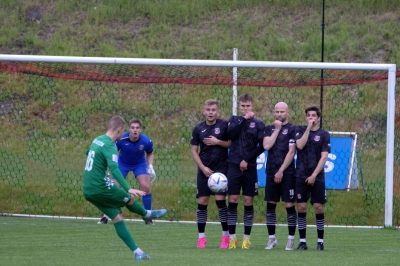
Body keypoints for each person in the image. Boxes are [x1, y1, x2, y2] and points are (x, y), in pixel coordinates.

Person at [83, 116, 167, 260]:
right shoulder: (110, 145)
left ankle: (137, 252)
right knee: (130, 198)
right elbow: (115, 170)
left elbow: (88, 153)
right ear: (120, 129)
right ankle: (147, 214)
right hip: (100, 187)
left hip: (88, 190)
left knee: (117, 217)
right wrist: (128, 188)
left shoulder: (97, 140)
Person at [98, 118, 157, 225]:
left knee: (146, 187)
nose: (135, 130)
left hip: (139, 164)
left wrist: (150, 166)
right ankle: (106, 216)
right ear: (129, 129)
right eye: (133, 127)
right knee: (114, 187)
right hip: (123, 164)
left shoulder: (146, 141)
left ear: (140, 129)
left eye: (137, 128)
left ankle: (148, 217)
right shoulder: (121, 139)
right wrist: (109, 165)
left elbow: (150, 153)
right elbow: (113, 151)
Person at [190, 99, 231, 249]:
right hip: (204, 170)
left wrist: (217, 142)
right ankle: (201, 237)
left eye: (213, 110)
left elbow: (230, 144)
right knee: (202, 202)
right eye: (208, 109)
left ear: (217, 111)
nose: (210, 112)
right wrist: (202, 167)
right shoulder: (198, 128)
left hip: (221, 170)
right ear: (204, 111)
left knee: (221, 202)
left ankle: (225, 236)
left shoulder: (224, 125)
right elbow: (194, 150)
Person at [226, 93, 265, 249]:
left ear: (252, 106)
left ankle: (246, 239)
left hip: (250, 166)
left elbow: (262, 146)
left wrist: (247, 160)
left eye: (248, 106)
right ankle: (232, 238)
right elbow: (231, 135)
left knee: (248, 201)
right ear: (239, 106)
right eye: (243, 106)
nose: (245, 108)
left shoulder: (259, 124)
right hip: (234, 165)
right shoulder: (234, 120)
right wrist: (244, 119)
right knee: (233, 200)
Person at [295, 106, 330, 251]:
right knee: (301, 207)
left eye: (314, 116)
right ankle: (302, 241)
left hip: (317, 176)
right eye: (308, 115)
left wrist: (314, 175)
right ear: (306, 118)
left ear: (318, 118)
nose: (311, 118)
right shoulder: (300, 130)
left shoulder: (324, 134)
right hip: (301, 175)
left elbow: (324, 157)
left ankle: (320, 242)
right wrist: (308, 129)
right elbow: (300, 145)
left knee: (318, 207)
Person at [263, 102, 297, 251]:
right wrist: (276, 130)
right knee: (271, 204)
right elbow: (267, 146)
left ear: (288, 112)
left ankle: (290, 239)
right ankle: (272, 238)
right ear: (273, 112)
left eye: (282, 111)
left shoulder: (293, 129)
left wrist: (281, 170)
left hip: (287, 172)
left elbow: (292, 152)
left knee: (289, 205)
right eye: (276, 111)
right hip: (271, 170)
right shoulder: (269, 129)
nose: (279, 114)